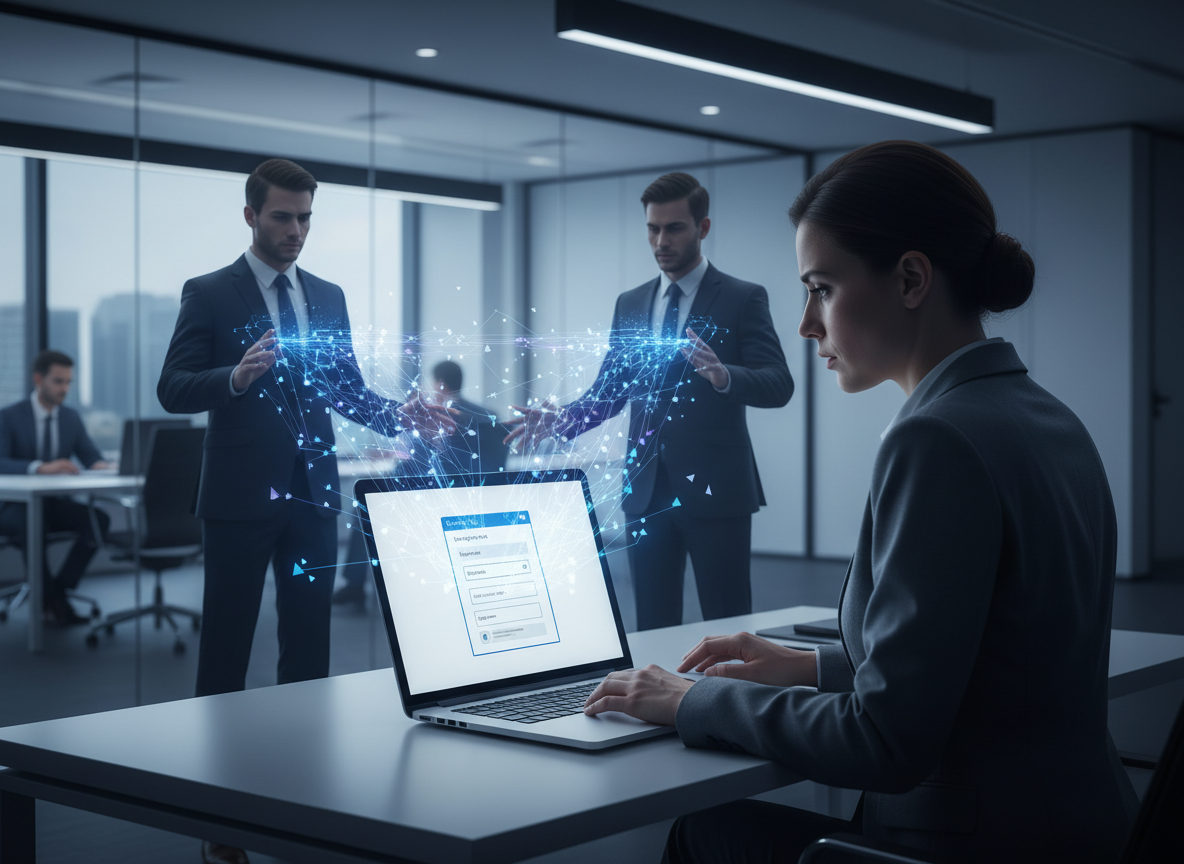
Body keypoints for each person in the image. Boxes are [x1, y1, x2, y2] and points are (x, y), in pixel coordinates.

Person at [581, 142, 1139, 863]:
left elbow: (885, 742)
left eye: (821, 288)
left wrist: (694, 700)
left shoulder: (937, 441)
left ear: (910, 279)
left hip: (968, 843)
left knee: (701, 836)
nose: (808, 324)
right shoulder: (1047, 416)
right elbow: (986, 665)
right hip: (1077, 831)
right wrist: (809, 667)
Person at [158, 158, 453, 864]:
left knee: (308, 650)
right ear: (252, 216)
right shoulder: (210, 293)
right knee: (225, 652)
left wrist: (397, 414)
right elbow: (173, 386)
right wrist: (233, 376)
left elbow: (344, 387)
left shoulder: (326, 294)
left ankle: (299, 800)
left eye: (306, 217)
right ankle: (218, 815)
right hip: (238, 497)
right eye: (283, 216)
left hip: (313, 495)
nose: (296, 230)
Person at [506, 172, 793, 630]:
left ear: (703, 228)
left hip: (716, 489)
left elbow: (779, 383)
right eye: (652, 229)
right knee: (654, 624)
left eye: (674, 228)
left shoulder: (741, 298)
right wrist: (559, 422)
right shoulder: (631, 303)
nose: (661, 240)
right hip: (645, 490)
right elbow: (610, 393)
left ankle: (736, 702)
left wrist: (724, 376)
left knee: (728, 619)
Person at [331, 360, 508, 607]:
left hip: (431, 498)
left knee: (363, 509)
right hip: (474, 499)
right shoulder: (487, 416)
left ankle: (355, 584)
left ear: (440, 384)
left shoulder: (438, 415)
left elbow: (417, 464)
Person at [0, 350, 112, 626]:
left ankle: (55, 594)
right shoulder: (9, 416)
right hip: (15, 507)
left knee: (99, 520)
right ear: (39, 379)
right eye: (58, 381)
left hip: (55, 504)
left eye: (68, 382)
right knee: (30, 522)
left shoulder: (71, 418)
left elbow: (90, 457)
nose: (64, 389)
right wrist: (38, 467)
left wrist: (100, 465)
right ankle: (53, 601)